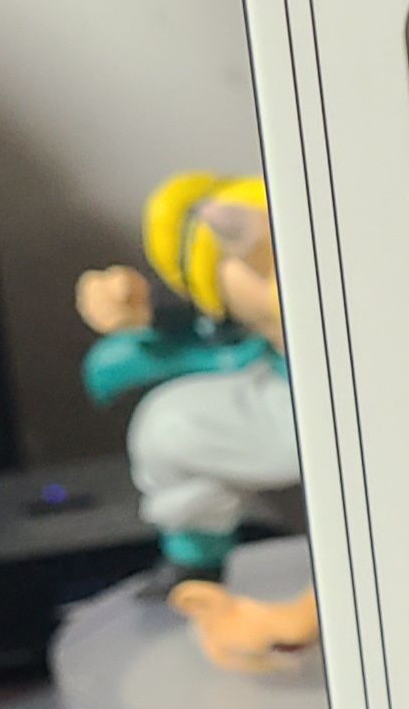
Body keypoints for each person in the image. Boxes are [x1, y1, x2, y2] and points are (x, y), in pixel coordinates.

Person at [77, 173, 317, 670]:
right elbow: (210, 320)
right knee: (169, 426)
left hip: (373, 405)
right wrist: (138, 313)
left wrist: (306, 618)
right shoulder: (230, 294)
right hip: (283, 392)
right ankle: (196, 562)